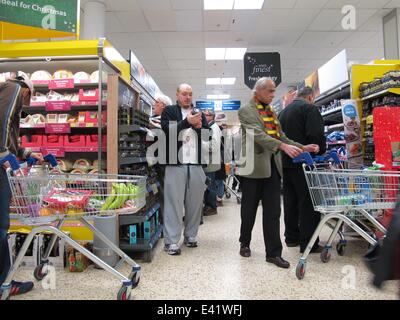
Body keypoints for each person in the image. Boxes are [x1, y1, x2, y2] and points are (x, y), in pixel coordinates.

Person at [237, 77, 319, 269]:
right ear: (257, 92)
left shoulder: (271, 112)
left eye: (274, 91)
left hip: (273, 167)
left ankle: (273, 253)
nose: (273, 94)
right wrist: (282, 146)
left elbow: (281, 136)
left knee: (273, 211)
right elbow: (258, 135)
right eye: (269, 91)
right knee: (248, 210)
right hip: (253, 168)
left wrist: (302, 147)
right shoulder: (245, 111)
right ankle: (244, 242)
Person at [0, 72, 44, 296]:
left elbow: (10, 135)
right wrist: (4, 157)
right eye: (30, 99)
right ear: (27, 91)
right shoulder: (15, 90)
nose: (26, 105)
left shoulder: (5, 91)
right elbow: (3, 122)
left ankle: (5, 279)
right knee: (0, 226)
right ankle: (5, 283)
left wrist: (25, 153)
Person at [161, 84, 209, 255]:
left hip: (195, 164)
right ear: (177, 95)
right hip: (176, 164)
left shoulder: (198, 112)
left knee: (195, 203)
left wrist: (199, 127)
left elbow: (207, 135)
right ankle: (171, 241)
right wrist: (186, 122)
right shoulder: (169, 111)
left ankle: (191, 235)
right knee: (174, 203)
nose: (188, 97)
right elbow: (167, 131)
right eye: (184, 94)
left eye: (190, 94)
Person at [278, 86, 326, 254]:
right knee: (308, 202)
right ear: (311, 97)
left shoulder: (283, 112)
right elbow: (316, 134)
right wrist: (321, 151)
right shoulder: (310, 109)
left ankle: (291, 238)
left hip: (286, 162)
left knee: (290, 201)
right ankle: (309, 243)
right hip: (305, 163)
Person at [203, 109, 222, 216]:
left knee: (210, 186)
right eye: (204, 114)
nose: (205, 116)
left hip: (210, 162)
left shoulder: (213, 128)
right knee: (208, 185)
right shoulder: (208, 127)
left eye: (207, 115)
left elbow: (213, 146)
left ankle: (212, 207)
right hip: (208, 161)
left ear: (212, 117)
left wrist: (200, 144)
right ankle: (208, 205)